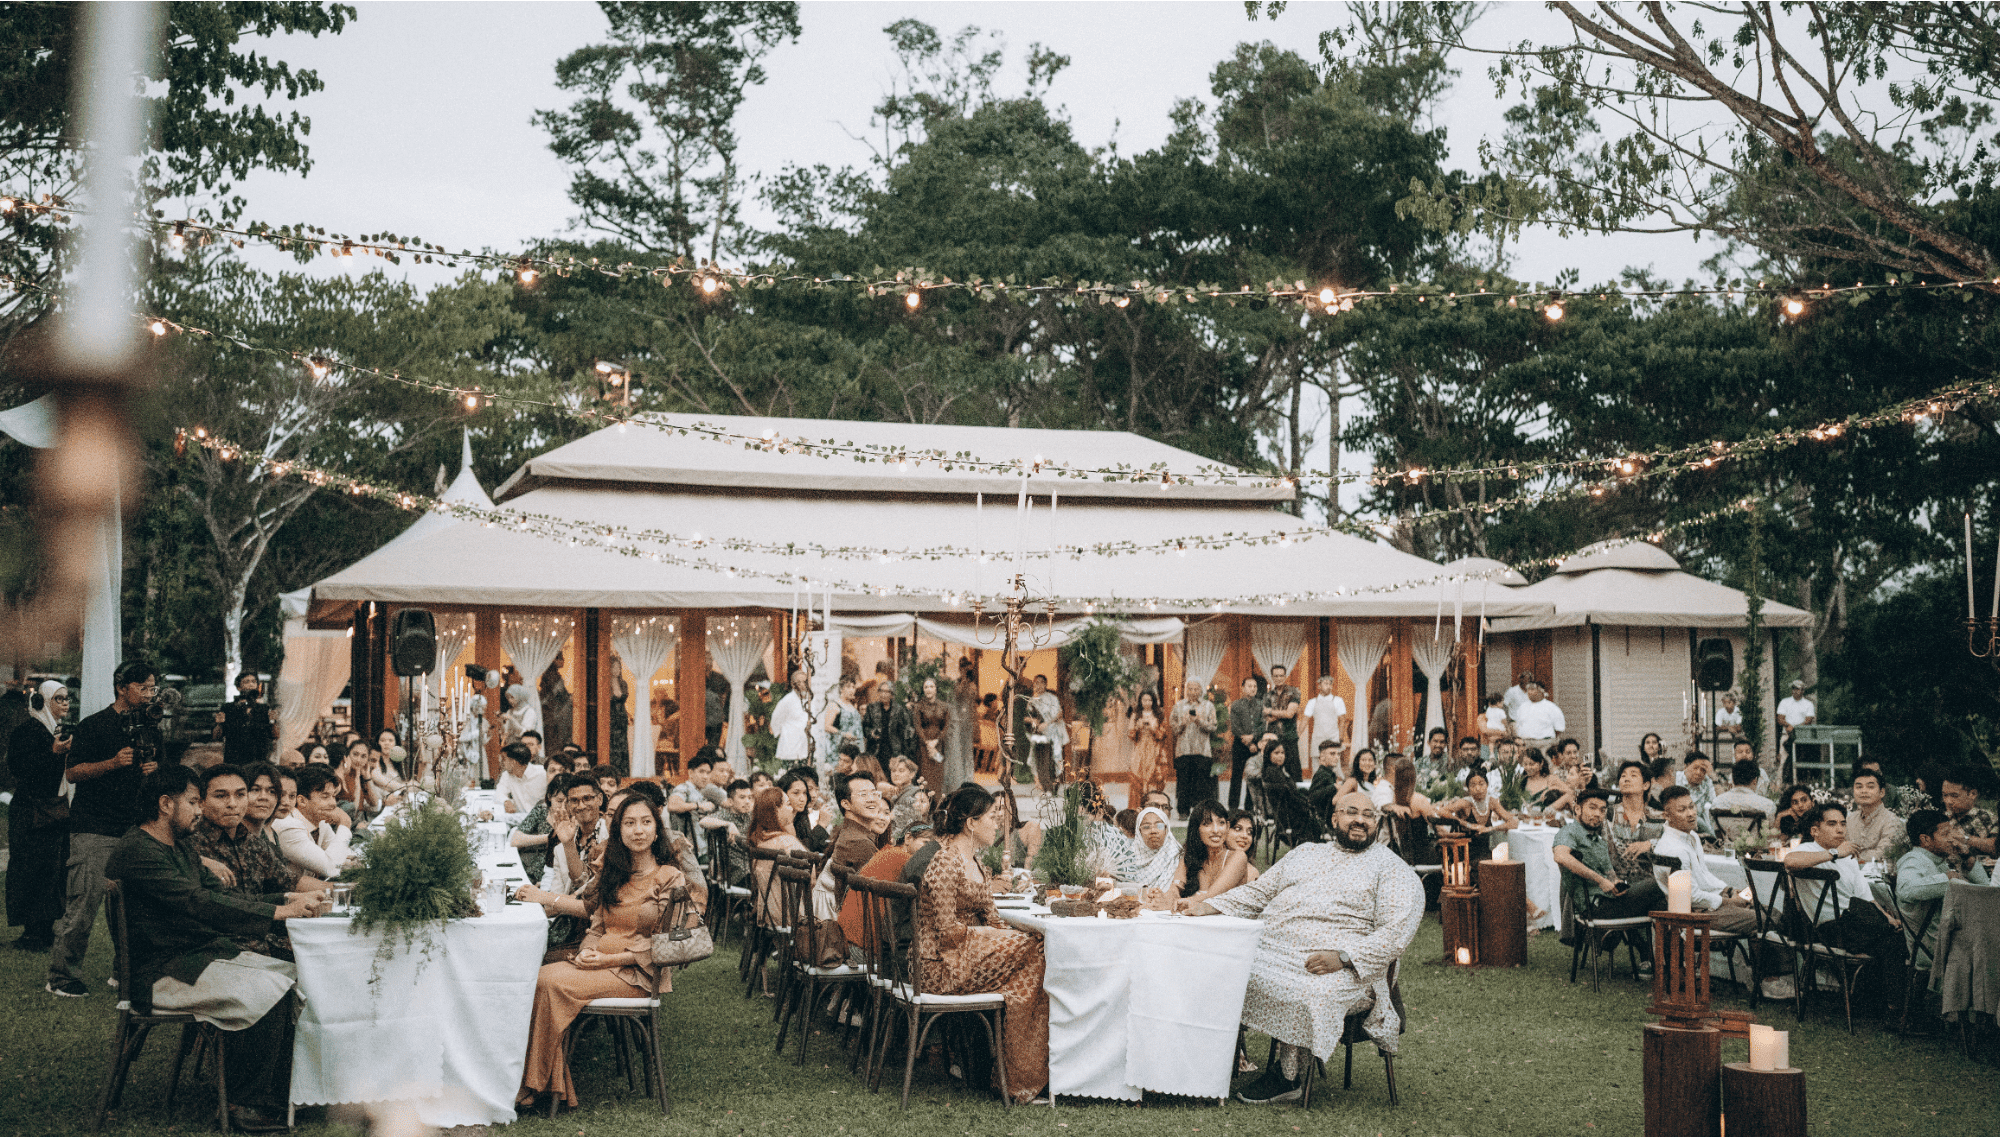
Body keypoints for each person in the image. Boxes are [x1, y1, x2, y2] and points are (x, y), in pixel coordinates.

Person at [108, 765, 325, 1132]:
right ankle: (244, 1103)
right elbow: (198, 903)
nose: (199, 810)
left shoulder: (177, 845)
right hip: (161, 973)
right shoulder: (138, 851)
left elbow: (225, 898)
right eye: (194, 802)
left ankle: (280, 1095)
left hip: (198, 957)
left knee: (291, 977)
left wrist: (288, 899)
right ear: (166, 804)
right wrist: (279, 912)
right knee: (271, 989)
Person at [1188, 791, 1423, 1105]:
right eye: (1351, 812)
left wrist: (1344, 958)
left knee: (1309, 990)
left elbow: (1396, 933)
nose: (1360, 820)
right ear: (1334, 819)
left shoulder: (1392, 869)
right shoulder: (1306, 853)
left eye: (1368, 815)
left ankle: (1288, 1076)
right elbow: (1259, 893)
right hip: (1275, 951)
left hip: (1344, 968)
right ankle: (1204, 1060)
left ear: (1376, 824)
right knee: (1222, 968)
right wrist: (1209, 906)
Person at [517, 794, 703, 1109]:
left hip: (638, 973)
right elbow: (597, 926)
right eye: (629, 823)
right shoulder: (613, 872)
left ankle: (539, 1087)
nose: (638, 830)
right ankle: (547, 1084)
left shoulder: (670, 877)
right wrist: (587, 952)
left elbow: (670, 942)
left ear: (656, 830)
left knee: (550, 983)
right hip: (600, 963)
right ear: (618, 831)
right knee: (537, 978)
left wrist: (608, 959)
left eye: (646, 822)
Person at [914, 784, 1050, 1102]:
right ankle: (1018, 1079)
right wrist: (1006, 938)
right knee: (1032, 958)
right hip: (939, 965)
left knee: (1035, 957)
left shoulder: (975, 863)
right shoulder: (946, 862)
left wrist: (1012, 935)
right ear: (971, 823)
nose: (997, 824)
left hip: (966, 956)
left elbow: (994, 919)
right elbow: (946, 931)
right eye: (992, 817)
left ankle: (1012, 1075)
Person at [48, 659, 163, 998]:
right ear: (121, 687)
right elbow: (72, 773)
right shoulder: (95, 725)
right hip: (94, 827)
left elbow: (161, 776)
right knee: (84, 903)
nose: (149, 694)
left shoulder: (151, 727)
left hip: (136, 826)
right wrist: (112, 763)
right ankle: (62, 977)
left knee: (133, 906)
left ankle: (124, 972)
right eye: (142, 687)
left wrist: (154, 771)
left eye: (152, 688)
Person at [190, 764, 327, 957]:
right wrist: (286, 904)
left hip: (264, 943)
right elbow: (221, 905)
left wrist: (344, 891)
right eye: (221, 796)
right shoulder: (190, 845)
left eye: (240, 795)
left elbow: (292, 882)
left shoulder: (252, 843)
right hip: (220, 950)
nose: (232, 804)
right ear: (201, 802)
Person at [1783, 802, 1906, 1015]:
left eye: (1842, 823)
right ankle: (1895, 1009)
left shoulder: (1847, 856)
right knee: (1893, 942)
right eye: (1832, 824)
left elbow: (1866, 897)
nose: (1840, 829)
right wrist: (1833, 853)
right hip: (1826, 929)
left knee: (1900, 934)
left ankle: (1879, 1002)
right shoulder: (1810, 849)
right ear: (1815, 830)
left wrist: (1887, 918)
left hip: (1854, 922)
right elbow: (1790, 861)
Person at [1553, 789, 1663, 946]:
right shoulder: (1569, 832)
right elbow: (1561, 856)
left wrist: (1616, 883)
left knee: (1659, 902)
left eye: (1602, 810)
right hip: (1594, 907)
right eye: (1592, 808)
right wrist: (1600, 880)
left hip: (1610, 901)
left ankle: (1654, 954)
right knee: (1663, 881)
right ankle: (1659, 954)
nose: (1597, 814)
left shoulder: (1599, 843)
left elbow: (1611, 875)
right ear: (1577, 809)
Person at [8, 680, 70, 953]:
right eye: (59, 698)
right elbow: (19, 768)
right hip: (31, 812)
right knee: (31, 870)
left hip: (54, 810)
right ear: (44, 701)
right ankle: (32, 932)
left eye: (67, 698)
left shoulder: (58, 730)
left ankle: (44, 930)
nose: (65, 703)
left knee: (53, 872)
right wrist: (51, 752)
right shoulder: (28, 731)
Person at [1654, 787, 1758, 937]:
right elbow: (1691, 897)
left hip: (1708, 906)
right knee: (1765, 919)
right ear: (1667, 815)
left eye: (1691, 807)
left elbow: (1704, 875)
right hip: (1694, 915)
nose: (1691, 813)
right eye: (1682, 810)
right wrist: (1730, 902)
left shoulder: (1692, 836)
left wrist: (1728, 890)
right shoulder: (1672, 849)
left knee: (1767, 911)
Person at [1894, 810, 1991, 960]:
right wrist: (1948, 879)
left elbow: (1986, 890)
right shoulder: (1913, 861)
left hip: (1952, 949)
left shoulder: (1938, 860)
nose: (1952, 839)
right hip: (1935, 955)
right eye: (1945, 834)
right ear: (1925, 839)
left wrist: (1966, 856)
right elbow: (1906, 890)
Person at [269, 765, 355, 878]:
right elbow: (331, 868)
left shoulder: (320, 822)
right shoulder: (287, 826)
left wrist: (348, 861)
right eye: (325, 797)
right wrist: (345, 823)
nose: (333, 803)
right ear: (302, 801)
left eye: (334, 796)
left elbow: (346, 856)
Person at [1169, 800, 1251, 908]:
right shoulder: (1189, 855)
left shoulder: (1238, 857)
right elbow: (1175, 887)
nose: (1216, 830)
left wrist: (1184, 901)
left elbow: (1212, 896)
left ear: (1227, 826)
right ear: (1196, 829)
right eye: (1207, 824)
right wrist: (1164, 897)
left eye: (1221, 823)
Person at [1439, 767, 1517, 859]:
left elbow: (1513, 823)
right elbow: (1441, 811)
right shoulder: (1465, 802)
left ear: (1487, 785)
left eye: (1481, 784)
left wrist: (1490, 828)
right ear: (1468, 788)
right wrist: (1467, 824)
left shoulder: (1491, 802)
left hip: (1485, 853)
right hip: (1466, 855)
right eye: (1473, 785)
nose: (1478, 788)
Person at [1169, 679, 1218, 817]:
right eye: (1190, 689)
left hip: (1202, 751)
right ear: (1186, 690)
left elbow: (1213, 726)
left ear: (1201, 690)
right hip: (1183, 751)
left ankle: (1200, 813)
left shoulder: (1208, 706)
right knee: (1183, 783)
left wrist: (1199, 721)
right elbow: (1173, 728)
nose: (1193, 692)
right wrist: (1183, 723)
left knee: (1202, 785)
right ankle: (1183, 812)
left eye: (1196, 689)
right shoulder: (1178, 706)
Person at [213, 672, 278, 767]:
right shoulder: (228, 708)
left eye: (253, 682)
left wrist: (273, 721)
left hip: (259, 759)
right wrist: (219, 723)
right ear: (239, 687)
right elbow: (216, 736)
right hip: (234, 759)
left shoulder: (264, 709)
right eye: (246, 682)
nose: (251, 684)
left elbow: (275, 736)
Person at [1938, 769, 1997, 870]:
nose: (1948, 801)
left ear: (1972, 794)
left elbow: (1996, 847)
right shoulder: (1941, 819)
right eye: (1945, 795)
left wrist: (1965, 839)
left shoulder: (1987, 817)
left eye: (1954, 796)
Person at [1843, 770, 1901, 864]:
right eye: (1859, 787)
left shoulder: (1892, 821)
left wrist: (1848, 857)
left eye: (1870, 787)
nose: (1863, 791)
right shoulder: (1849, 819)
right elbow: (1840, 848)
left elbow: (1882, 854)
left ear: (1882, 792)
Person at [943, 656, 980, 796]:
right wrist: (963, 679)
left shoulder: (973, 685)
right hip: (957, 721)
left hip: (968, 721)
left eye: (967, 668)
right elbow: (957, 695)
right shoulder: (956, 683)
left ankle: (968, 779)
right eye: (963, 668)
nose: (965, 670)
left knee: (967, 751)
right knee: (957, 750)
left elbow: (973, 705)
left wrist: (976, 724)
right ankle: (957, 780)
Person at [667, 751, 719, 843]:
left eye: (708, 773)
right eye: (701, 772)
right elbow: (672, 806)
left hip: (704, 844)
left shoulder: (703, 791)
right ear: (690, 773)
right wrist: (698, 805)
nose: (705, 776)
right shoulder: (684, 788)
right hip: (688, 845)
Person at [1227, 676, 1263, 810]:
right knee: (1236, 776)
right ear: (1243, 688)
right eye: (1249, 686)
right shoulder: (1236, 705)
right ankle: (1233, 807)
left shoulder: (1261, 705)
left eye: (1254, 686)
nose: (1252, 689)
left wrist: (1253, 738)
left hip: (1256, 744)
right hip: (1240, 744)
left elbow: (1263, 725)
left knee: (1253, 776)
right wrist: (1248, 743)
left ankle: (1250, 807)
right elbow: (1235, 727)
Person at [1126, 690, 1171, 798]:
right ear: (1140, 701)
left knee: (1155, 776)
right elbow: (1131, 735)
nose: (1147, 703)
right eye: (1144, 700)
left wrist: (1153, 728)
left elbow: (1163, 734)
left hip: (1155, 750)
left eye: (1149, 700)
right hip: (1139, 750)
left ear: (1153, 701)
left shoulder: (1159, 714)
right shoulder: (1135, 715)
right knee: (1137, 776)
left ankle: (1153, 802)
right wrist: (1138, 727)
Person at [1301, 674, 1348, 776]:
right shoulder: (1312, 702)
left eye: (1330, 684)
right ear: (1319, 685)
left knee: (1335, 768)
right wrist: (1298, 734)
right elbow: (1305, 719)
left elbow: (1342, 720)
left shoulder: (1338, 701)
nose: (1329, 686)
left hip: (1333, 738)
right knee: (1316, 768)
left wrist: (1340, 739)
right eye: (1326, 683)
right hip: (1318, 738)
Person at [1261, 665, 1302, 781]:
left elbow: (1290, 714)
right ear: (1272, 677)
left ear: (1285, 676)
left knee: (1295, 773)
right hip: (1273, 739)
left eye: (1281, 675)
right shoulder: (1268, 695)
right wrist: (1283, 712)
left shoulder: (1294, 692)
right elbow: (1267, 718)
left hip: (1290, 737)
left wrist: (1271, 711)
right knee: (1272, 772)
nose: (1278, 678)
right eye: (1276, 676)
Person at [1129, 806, 1182, 894]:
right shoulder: (1129, 856)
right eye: (1146, 827)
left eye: (1159, 826)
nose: (1153, 831)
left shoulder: (1177, 857)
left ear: (1166, 829)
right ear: (1139, 831)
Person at [912, 675, 950, 791]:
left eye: (931, 686)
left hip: (939, 743)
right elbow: (917, 726)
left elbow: (947, 726)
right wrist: (927, 743)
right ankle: (926, 799)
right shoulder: (918, 707)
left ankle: (938, 799)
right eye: (926, 687)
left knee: (938, 773)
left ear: (936, 689)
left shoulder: (944, 706)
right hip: (924, 745)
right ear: (923, 690)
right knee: (925, 774)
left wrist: (936, 741)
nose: (928, 689)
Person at [770, 668, 814, 767]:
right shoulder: (787, 700)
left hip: (806, 744)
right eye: (799, 682)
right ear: (793, 684)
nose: (802, 684)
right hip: (790, 744)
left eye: (805, 681)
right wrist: (784, 733)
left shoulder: (810, 699)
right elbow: (775, 719)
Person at [1711, 758, 1777, 818]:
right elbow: (1771, 826)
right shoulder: (1767, 806)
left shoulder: (1717, 802)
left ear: (1733, 780)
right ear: (1755, 781)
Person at [496, 742, 545, 818]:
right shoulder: (507, 775)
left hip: (541, 820)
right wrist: (506, 801)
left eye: (504, 759)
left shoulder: (542, 773)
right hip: (520, 819)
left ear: (513, 762)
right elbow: (498, 793)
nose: (502, 763)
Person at [1511, 681, 1566, 748]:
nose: (1529, 692)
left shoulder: (1552, 707)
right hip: (1524, 743)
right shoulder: (1522, 707)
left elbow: (1559, 728)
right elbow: (1518, 725)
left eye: (1532, 689)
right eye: (1528, 690)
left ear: (1541, 691)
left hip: (1545, 743)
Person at [1521, 748, 1573, 815]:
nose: (1528, 767)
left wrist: (1552, 788)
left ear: (1541, 763)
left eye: (1532, 764)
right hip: (1526, 818)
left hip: (1547, 817)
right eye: (1525, 764)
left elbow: (1571, 793)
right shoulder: (1522, 781)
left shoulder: (1550, 779)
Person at [1776, 679, 1815, 756]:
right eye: (1794, 688)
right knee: (1784, 758)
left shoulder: (1809, 704)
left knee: (1800, 759)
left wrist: (1796, 729)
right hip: (1786, 735)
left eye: (1798, 689)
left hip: (1802, 736)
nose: (1795, 691)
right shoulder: (1784, 702)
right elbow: (1780, 719)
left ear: (1803, 690)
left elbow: (1808, 720)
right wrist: (1788, 725)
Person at [1226, 809, 1263, 884]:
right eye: (1238, 829)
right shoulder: (1208, 864)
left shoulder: (1251, 873)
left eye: (1250, 832)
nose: (1245, 836)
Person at [1477, 692, 1508, 758]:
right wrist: (1502, 732)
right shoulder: (1482, 717)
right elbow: (1485, 730)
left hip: (1500, 746)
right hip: (1486, 746)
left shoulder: (1499, 714)